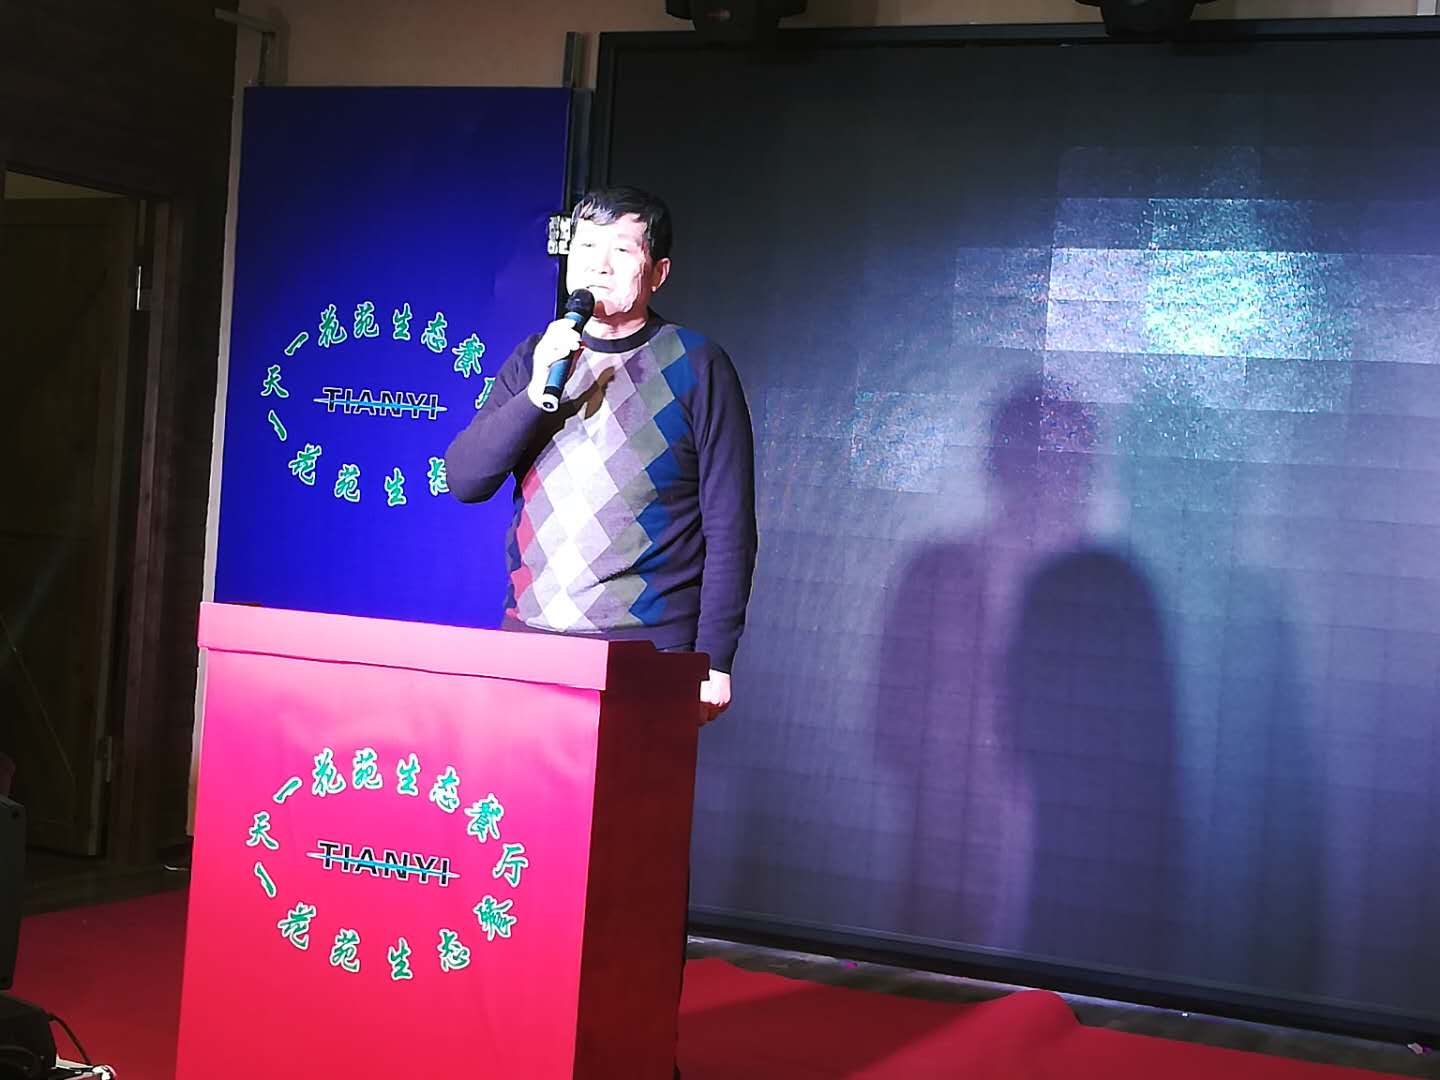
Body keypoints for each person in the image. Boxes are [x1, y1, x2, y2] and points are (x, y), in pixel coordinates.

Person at [444, 184, 757, 719]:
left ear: (658, 272)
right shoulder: (536, 358)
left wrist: (715, 660)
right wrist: (535, 393)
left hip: (645, 653)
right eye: (586, 247)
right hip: (530, 640)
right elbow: (466, 480)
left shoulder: (697, 365)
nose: (599, 264)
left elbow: (729, 526)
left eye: (621, 249)